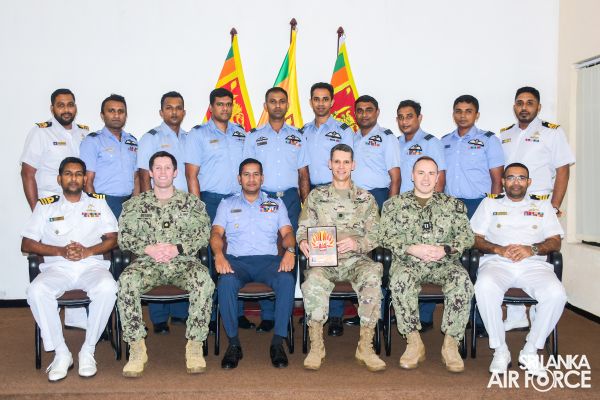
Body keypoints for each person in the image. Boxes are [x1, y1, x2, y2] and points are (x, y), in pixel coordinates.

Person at [117, 151, 214, 377]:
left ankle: (195, 345)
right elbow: (124, 237)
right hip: (147, 263)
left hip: (182, 262)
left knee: (203, 281)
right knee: (126, 282)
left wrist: (177, 248)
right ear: (150, 173)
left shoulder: (191, 203)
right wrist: (148, 248)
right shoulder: (135, 204)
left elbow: (203, 234)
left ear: (175, 172)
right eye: (158, 168)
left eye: (167, 168)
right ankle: (137, 348)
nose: (163, 172)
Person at [21, 157, 118, 381]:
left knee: (108, 287)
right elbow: (26, 244)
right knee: (36, 291)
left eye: (78, 174)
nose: (73, 178)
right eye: (68, 174)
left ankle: (88, 351)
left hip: (91, 265)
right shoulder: (45, 206)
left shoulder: (98, 203)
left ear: (84, 179)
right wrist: (60, 251)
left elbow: (113, 239)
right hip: (58, 267)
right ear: (59, 179)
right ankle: (61, 353)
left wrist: (88, 251)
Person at [379, 156, 474, 373]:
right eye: (421, 173)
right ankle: (414, 342)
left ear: (438, 177)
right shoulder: (394, 205)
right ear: (412, 176)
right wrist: (411, 248)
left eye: (431, 173)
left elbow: (467, 237)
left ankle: (451, 344)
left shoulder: (453, 205)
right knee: (400, 280)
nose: (426, 178)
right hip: (409, 262)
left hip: (444, 263)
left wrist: (445, 249)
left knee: (462, 281)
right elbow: (383, 236)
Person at [471, 162, 567, 377]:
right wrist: (498, 249)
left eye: (521, 178)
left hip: (533, 264)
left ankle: (531, 350)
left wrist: (532, 249)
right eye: (511, 177)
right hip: (497, 262)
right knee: (484, 287)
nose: (516, 182)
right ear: (503, 181)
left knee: (557, 294)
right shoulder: (489, 203)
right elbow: (474, 238)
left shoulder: (543, 206)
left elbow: (555, 241)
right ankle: (500, 350)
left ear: (529, 182)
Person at [299, 144, 386, 372]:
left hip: (355, 259)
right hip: (324, 260)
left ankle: (365, 346)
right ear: (330, 164)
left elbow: (377, 234)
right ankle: (316, 346)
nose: (341, 166)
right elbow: (303, 227)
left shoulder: (365, 198)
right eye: (337, 161)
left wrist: (358, 244)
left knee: (372, 276)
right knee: (313, 281)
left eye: (346, 162)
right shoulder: (316, 196)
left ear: (353, 165)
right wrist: (303, 241)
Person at [499, 87, 575, 332]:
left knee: (536, 259)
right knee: (510, 252)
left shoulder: (552, 132)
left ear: (538, 107)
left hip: (538, 205)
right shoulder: (505, 134)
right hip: (510, 204)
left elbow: (562, 170)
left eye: (530, 103)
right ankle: (516, 315)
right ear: (514, 106)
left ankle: (539, 313)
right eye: (520, 102)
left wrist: (555, 205)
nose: (524, 107)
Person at [211, 158, 296, 369]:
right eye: (246, 174)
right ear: (239, 178)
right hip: (237, 263)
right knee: (226, 283)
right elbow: (216, 234)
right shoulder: (227, 204)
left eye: (256, 174)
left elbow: (287, 233)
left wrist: (290, 250)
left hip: (268, 263)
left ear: (262, 178)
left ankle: (277, 342)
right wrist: (218, 255)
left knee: (286, 280)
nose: (251, 179)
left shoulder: (276, 204)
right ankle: (233, 344)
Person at [184, 88, 257, 333]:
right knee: (210, 257)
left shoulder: (240, 133)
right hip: (211, 201)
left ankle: (236, 312)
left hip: (238, 201)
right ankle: (212, 313)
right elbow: (191, 175)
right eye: (220, 104)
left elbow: (247, 169)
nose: (224, 108)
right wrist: (198, 210)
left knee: (236, 254)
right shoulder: (198, 134)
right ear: (211, 107)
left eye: (228, 104)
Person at [20, 88, 91, 330]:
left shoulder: (84, 133)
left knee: (78, 251)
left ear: (75, 107)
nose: (66, 109)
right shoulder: (41, 132)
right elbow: (27, 173)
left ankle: (75, 315)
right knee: (55, 260)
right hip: (51, 208)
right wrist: (37, 211)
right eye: (61, 105)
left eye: (70, 104)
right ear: (52, 109)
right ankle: (51, 314)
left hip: (78, 204)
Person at [299, 82, 355, 336]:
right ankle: (314, 309)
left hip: (338, 192)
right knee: (315, 251)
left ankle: (335, 316)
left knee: (338, 252)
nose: (320, 103)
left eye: (325, 99)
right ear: (311, 102)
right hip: (313, 193)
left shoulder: (343, 130)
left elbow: (348, 164)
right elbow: (302, 169)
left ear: (332, 102)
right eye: (316, 99)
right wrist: (305, 199)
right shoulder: (303, 131)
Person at [137, 91, 190, 335]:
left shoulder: (189, 138)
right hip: (157, 206)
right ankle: (158, 318)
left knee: (178, 253)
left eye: (178, 108)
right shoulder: (151, 138)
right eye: (169, 108)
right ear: (161, 112)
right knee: (158, 254)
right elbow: (143, 175)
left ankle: (179, 312)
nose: (174, 112)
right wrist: (148, 207)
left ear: (184, 112)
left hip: (182, 206)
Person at [396, 99, 447, 331]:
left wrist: (433, 208)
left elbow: (439, 177)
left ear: (419, 118)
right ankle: (403, 309)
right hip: (404, 209)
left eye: (409, 116)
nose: (405, 121)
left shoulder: (431, 142)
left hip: (426, 207)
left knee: (428, 255)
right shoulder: (396, 143)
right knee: (406, 256)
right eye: (401, 117)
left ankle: (425, 315)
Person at [442, 94, 504, 217]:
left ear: (477, 115)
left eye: (468, 111)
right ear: (453, 115)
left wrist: (494, 208)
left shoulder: (489, 140)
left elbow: (497, 181)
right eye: (458, 111)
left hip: (479, 203)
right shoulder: (444, 141)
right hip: (450, 204)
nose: (463, 115)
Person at [79, 94, 139, 219]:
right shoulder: (93, 141)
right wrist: (95, 208)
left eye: (121, 111)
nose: (116, 115)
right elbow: (87, 180)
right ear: (102, 115)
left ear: (126, 115)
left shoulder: (132, 141)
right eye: (111, 111)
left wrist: (135, 205)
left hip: (129, 203)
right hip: (103, 202)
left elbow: (136, 177)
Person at [351, 95, 401, 211]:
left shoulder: (386, 137)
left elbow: (396, 178)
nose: (364, 115)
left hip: (377, 196)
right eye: (360, 111)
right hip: (353, 197)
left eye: (369, 110)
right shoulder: (352, 137)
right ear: (355, 114)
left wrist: (389, 210)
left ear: (377, 112)